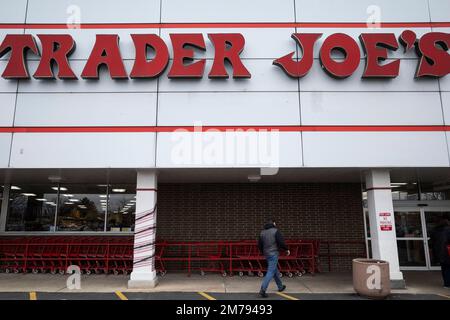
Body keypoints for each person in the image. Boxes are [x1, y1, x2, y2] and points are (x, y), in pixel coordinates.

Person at [257, 219, 290, 298]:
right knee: (271, 271)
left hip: (266, 254)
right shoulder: (275, 231)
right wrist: (286, 249)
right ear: (273, 224)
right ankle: (263, 290)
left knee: (274, 270)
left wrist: (263, 252)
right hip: (273, 253)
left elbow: (259, 244)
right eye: (275, 223)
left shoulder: (262, 232)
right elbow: (281, 242)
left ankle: (280, 286)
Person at [430, 218, 450, 288]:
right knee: (448, 268)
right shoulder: (448, 230)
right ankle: (448, 284)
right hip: (447, 252)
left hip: (439, 253)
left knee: (444, 268)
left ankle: (446, 284)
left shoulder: (434, 231)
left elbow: (432, 242)